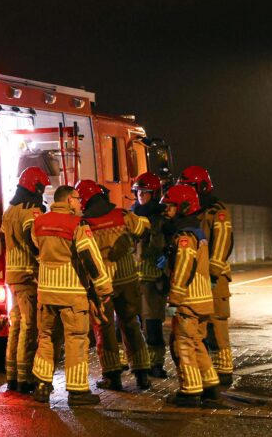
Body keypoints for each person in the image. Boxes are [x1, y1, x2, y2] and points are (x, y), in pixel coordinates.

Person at [31, 185, 113, 406]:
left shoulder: (39, 222)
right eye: (77, 199)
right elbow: (90, 258)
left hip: (46, 294)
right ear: (68, 201)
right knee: (75, 340)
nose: (80, 203)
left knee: (46, 338)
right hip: (72, 294)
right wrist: (103, 289)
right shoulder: (77, 225)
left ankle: (41, 385)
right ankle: (77, 392)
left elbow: (36, 248)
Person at [74, 179, 153, 391]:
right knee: (131, 324)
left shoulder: (85, 223)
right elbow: (144, 229)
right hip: (127, 280)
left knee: (104, 328)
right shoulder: (122, 215)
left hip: (102, 285)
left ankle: (112, 376)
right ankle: (142, 373)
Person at [159, 184, 221, 406]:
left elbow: (185, 265)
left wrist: (174, 299)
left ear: (184, 206)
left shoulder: (184, 235)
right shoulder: (197, 231)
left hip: (188, 300)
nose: (166, 210)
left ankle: (190, 390)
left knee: (183, 344)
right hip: (202, 299)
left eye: (170, 206)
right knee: (197, 343)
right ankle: (210, 385)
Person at [179, 166, 234, 387]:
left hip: (216, 277)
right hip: (199, 278)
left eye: (191, 187)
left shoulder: (216, 212)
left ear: (202, 187)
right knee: (202, 326)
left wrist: (212, 274)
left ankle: (225, 371)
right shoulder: (194, 212)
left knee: (217, 323)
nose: (187, 191)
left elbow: (221, 247)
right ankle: (208, 370)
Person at [1, 167, 48, 393]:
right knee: (29, 326)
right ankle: (25, 377)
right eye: (43, 188)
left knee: (16, 325)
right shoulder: (31, 210)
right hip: (28, 274)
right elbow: (34, 240)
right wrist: (43, 258)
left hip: (12, 274)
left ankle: (12, 376)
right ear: (36, 187)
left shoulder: (9, 210)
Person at [131, 172, 170, 378]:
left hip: (153, 279)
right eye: (138, 192)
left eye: (145, 192)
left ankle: (156, 363)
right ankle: (139, 362)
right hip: (133, 279)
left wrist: (166, 258)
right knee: (132, 324)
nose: (140, 196)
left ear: (153, 194)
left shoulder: (162, 219)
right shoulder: (132, 216)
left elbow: (166, 244)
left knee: (153, 323)